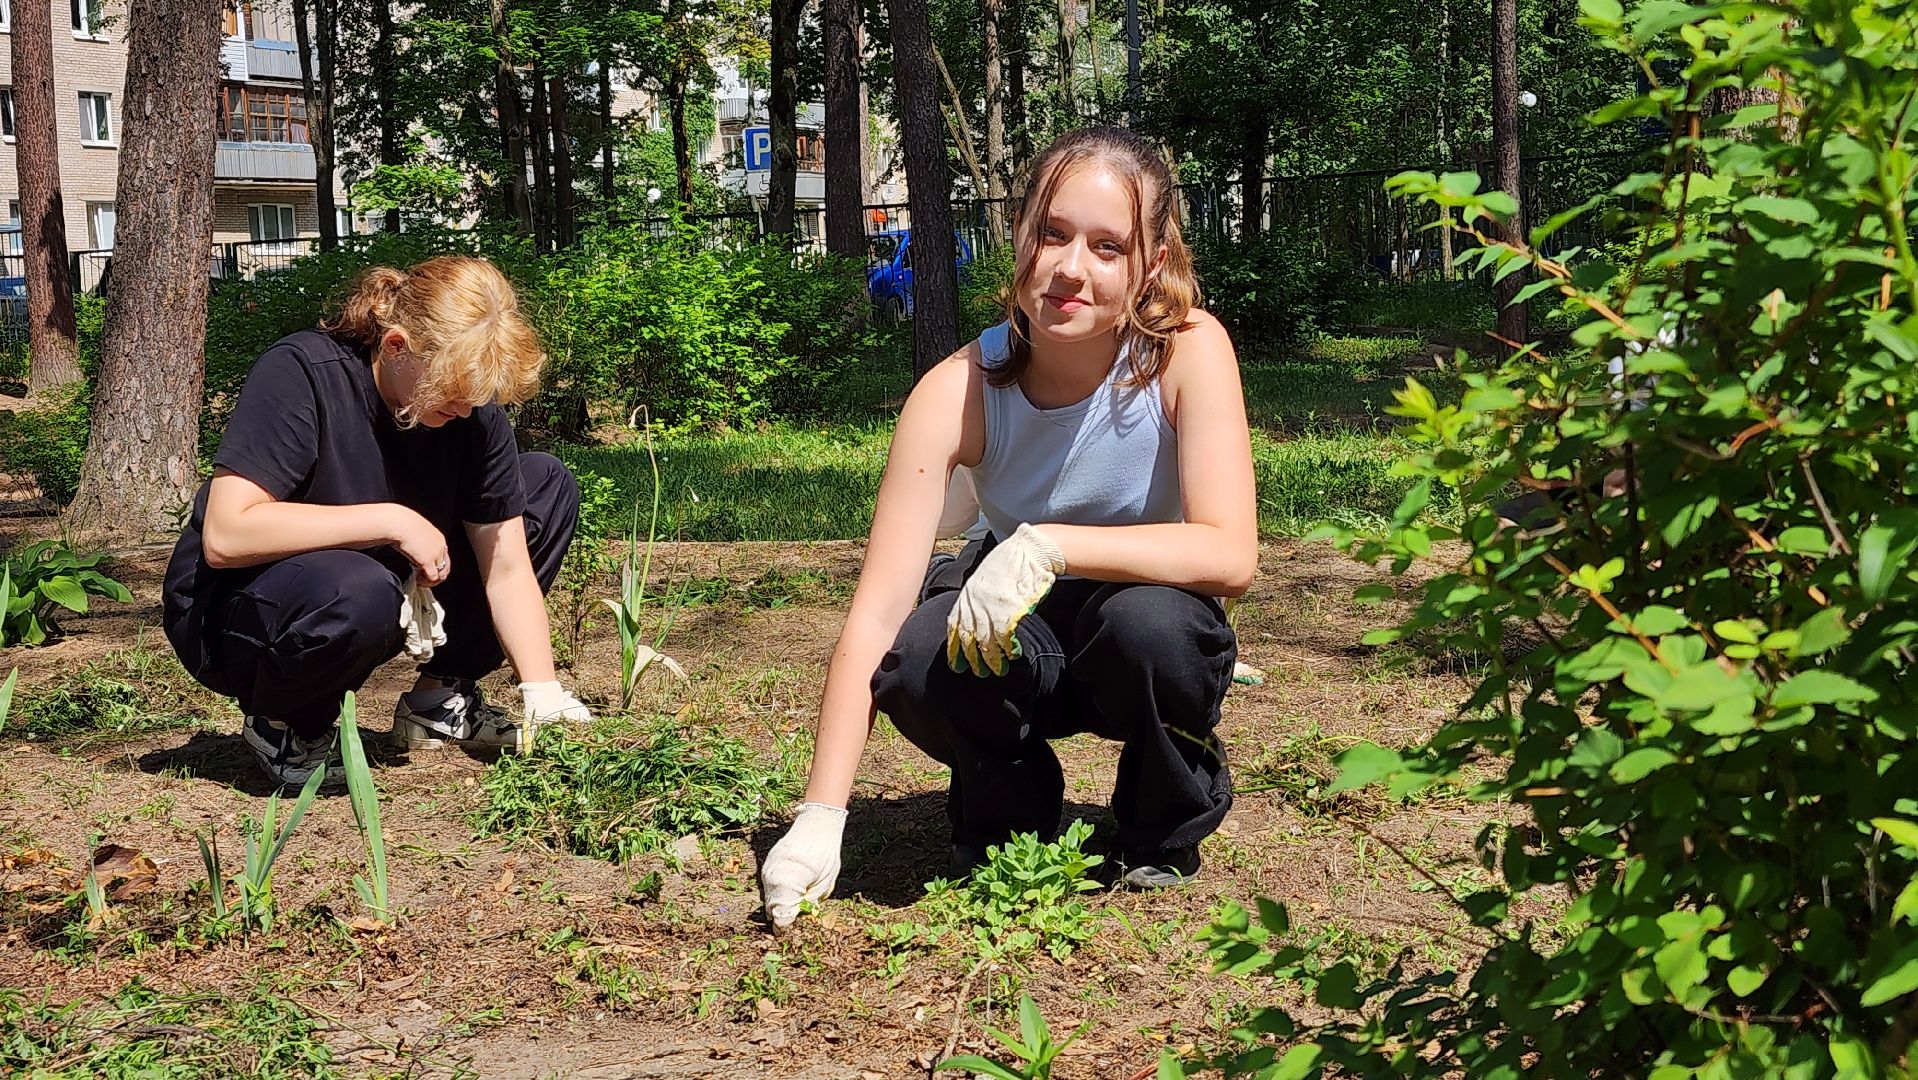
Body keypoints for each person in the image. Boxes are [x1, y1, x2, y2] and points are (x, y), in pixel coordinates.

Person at [759, 126, 1258, 930]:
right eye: (1052, 234)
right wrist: (821, 814)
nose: (1071, 268)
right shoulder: (954, 389)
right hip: (1011, 621)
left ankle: (1162, 824)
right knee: (923, 658)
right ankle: (1009, 811)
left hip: (1139, 611)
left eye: (1108, 246)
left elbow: (1230, 554)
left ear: (1150, 266)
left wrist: (1052, 543)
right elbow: (878, 611)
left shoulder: (1185, 353)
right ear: (1018, 235)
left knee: (1157, 630)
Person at [162, 256, 594, 789]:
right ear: (395, 347)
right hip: (241, 608)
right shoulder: (303, 372)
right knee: (359, 587)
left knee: (545, 484)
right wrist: (390, 520)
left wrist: (542, 693)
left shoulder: (470, 411)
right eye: (451, 393)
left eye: (475, 398)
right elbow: (227, 536)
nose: (465, 411)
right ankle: (286, 723)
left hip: (376, 579)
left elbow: (506, 569)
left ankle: (439, 700)